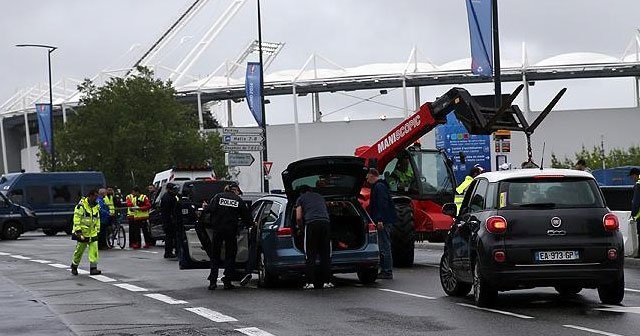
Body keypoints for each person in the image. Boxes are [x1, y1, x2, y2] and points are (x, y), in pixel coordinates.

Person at [202, 182, 253, 290]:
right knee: (230, 255)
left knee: (215, 255)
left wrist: (205, 208)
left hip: (217, 231)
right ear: (236, 190)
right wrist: (252, 224)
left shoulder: (218, 197)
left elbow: (209, 210)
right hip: (231, 232)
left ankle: (212, 281)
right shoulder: (238, 200)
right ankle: (227, 281)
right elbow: (246, 217)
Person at [295, 184, 333, 289]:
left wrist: (301, 228)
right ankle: (327, 282)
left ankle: (310, 283)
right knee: (326, 253)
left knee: (310, 254)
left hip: (311, 224)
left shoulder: (301, 198)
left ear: (301, 192)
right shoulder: (320, 197)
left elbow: (298, 217)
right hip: (325, 223)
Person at [367, 168, 397, 280]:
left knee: (384, 245)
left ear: (372, 175)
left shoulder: (379, 187)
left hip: (383, 221)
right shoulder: (381, 186)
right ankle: (385, 270)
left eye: (367, 176)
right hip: (385, 219)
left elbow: (381, 204)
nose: (366, 178)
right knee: (384, 245)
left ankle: (387, 271)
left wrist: (379, 220)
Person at [70, 189, 102, 275]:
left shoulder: (96, 206)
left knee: (94, 251)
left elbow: (97, 218)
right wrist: (78, 231)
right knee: (79, 251)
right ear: (90, 196)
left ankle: (93, 268)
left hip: (92, 232)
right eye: (95, 196)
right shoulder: (81, 206)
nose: (96, 198)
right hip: (83, 233)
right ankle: (74, 265)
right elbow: (76, 219)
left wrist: (98, 229)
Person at [160, 183, 179, 258]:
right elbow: (170, 211)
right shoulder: (168, 198)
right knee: (170, 237)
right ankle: (168, 252)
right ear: (168, 189)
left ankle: (170, 252)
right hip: (169, 221)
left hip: (168, 220)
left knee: (170, 237)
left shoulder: (169, 196)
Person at [630, 168, 640, 258]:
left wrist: (633, 214)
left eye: (632, 176)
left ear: (635, 175)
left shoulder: (638, 185)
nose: (632, 178)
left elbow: (636, 202)